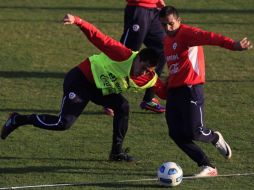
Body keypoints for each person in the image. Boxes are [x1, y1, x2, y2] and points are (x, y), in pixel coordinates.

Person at [1, 14, 167, 162]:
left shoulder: (149, 78)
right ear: (138, 58)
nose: (143, 72)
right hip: (80, 81)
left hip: (99, 90)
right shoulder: (122, 54)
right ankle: (18, 119)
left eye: (147, 70)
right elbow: (99, 37)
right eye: (143, 67)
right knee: (62, 124)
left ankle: (116, 153)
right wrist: (78, 21)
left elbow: (166, 92)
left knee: (123, 106)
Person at [159, 6, 252, 176]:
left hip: (191, 89)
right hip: (174, 92)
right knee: (175, 133)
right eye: (164, 25)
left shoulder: (188, 34)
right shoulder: (166, 41)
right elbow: (175, 65)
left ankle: (215, 138)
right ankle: (206, 165)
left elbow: (211, 38)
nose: (168, 28)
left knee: (195, 131)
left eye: (171, 24)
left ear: (179, 21)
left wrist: (233, 45)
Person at [104, 0, 167, 116]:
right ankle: (109, 100)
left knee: (164, 50)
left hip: (153, 10)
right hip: (138, 10)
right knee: (125, 56)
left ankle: (148, 99)